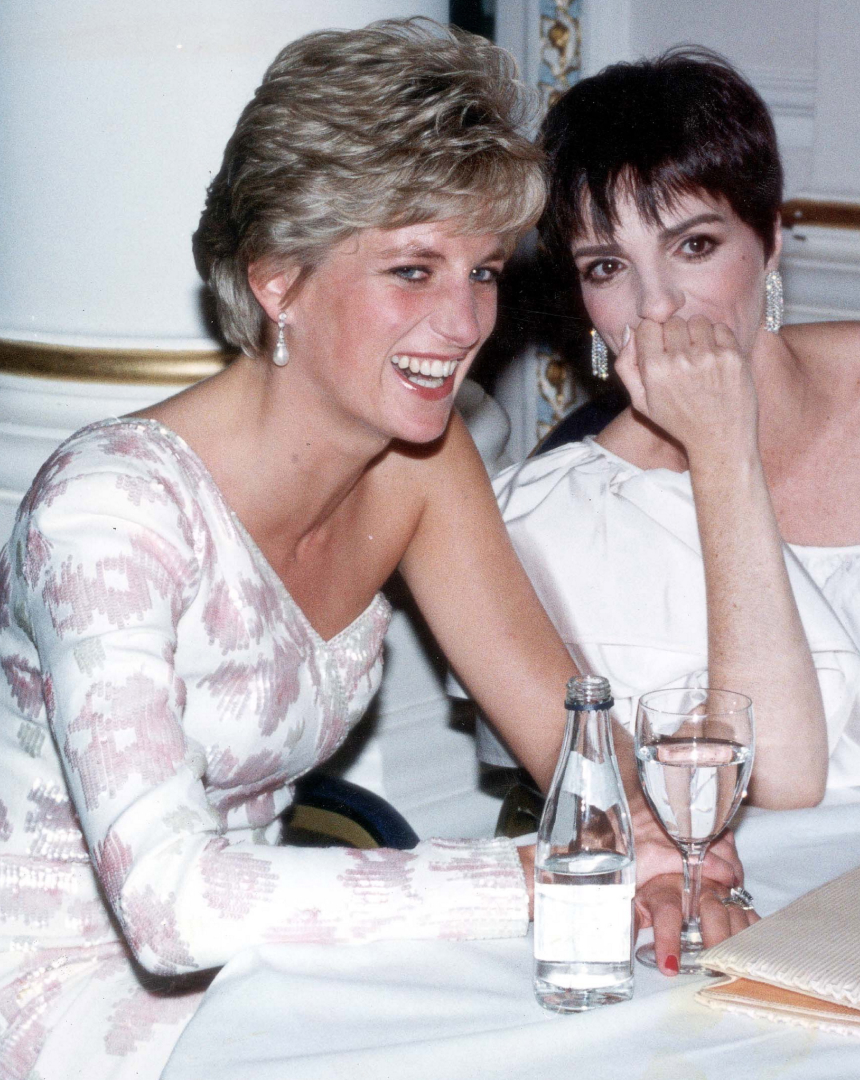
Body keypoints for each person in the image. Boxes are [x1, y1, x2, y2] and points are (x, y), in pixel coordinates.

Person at [0, 23, 757, 1080]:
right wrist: (543, 874)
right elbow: (171, 910)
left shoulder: (422, 466)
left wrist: (660, 853)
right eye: (412, 269)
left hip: (265, 973)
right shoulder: (105, 516)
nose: (464, 321)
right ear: (278, 280)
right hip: (67, 1003)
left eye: (482, 270)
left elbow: (572, 743)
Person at [495, 47, 860, 798]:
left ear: (769, 243)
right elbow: (770, 781)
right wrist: (721, 450)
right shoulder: (570, 521)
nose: (657, 304)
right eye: (606, 266)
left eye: (694, 245)